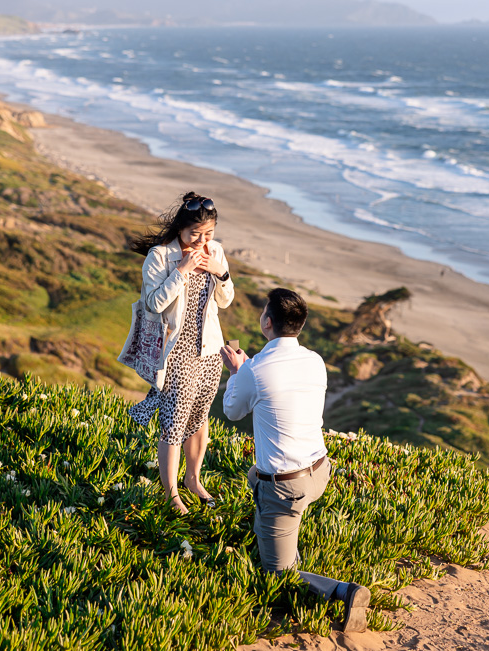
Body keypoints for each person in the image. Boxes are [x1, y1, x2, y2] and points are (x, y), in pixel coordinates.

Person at [220, 288, 371, 634]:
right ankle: (276, 531)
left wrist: (236, 372)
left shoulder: (254, 370)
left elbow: (232, 411)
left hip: (286, 488)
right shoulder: (315, 360)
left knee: (276, 573)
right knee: (254, 476)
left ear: (267, 322)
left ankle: (343, 593)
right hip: (319, 470)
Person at [128, 192, 234, 514]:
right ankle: (171, 492)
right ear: (180, 230)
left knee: (200, 419)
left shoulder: (215, 252)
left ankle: (193, 479)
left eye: (208, 235)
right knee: (174, 422)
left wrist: (220, 271)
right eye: (195, 235)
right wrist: (182, 271)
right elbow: (153, 304)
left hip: (209, 350)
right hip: (175, 352)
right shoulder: (160, 256)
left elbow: (226, 300)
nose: (202, 241)